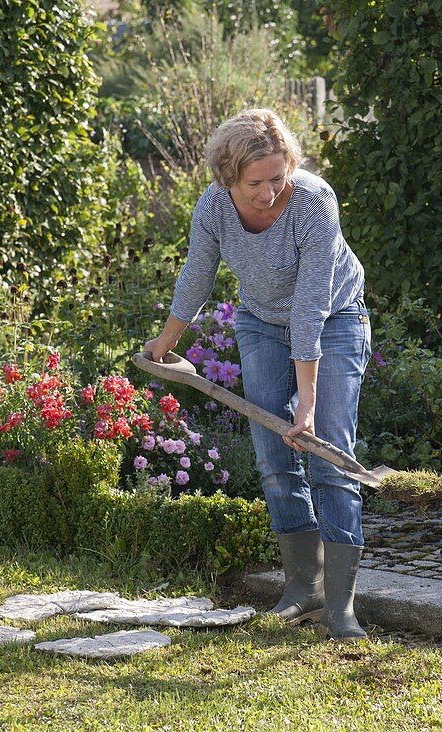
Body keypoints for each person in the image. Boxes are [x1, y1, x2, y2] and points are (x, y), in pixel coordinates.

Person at [144, 108, 371, 641]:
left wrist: (307, 405)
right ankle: (302, 590)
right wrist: (166, 342)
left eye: (278, 177)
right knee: (274, 460)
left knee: (331, 456)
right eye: (255, 183)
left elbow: (313, 304)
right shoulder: (214, 206)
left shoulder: (315, 202)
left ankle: (340, 606)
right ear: (228, 178)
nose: (269, 192)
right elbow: (197, 273)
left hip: (334, 320)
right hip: (262, 325)